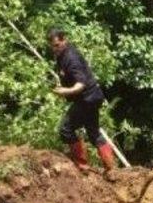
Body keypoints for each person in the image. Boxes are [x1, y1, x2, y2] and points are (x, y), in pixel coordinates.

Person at [47, 28, 115, 177]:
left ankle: (82, 166)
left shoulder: (71, 58)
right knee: (93, 132)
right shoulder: (61, 55)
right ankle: (111, 168)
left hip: (87, 98)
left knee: (66, 130)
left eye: (57, 45)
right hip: (92, 97)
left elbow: (81, 85)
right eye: (52, 46)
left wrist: (65, 91)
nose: (55, 48)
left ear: (64, 40)